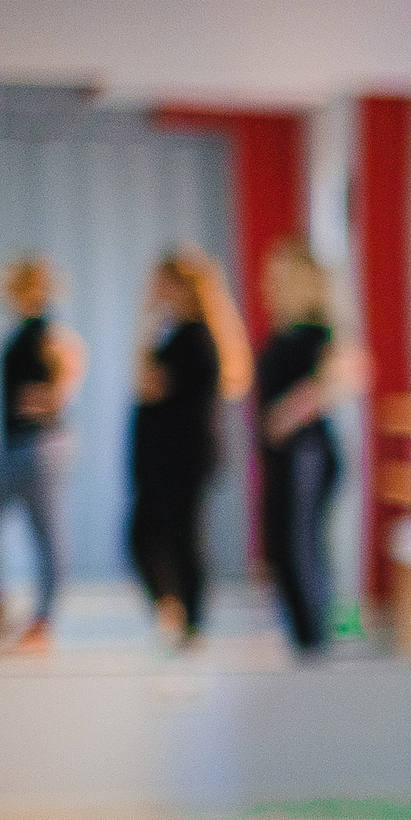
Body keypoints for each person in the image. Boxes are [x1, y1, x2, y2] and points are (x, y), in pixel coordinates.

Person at [126, 245, 251, 647]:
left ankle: (190, 621)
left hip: (182, 457)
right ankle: (177, 612)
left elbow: (147, 384)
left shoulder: (195, 338)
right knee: (152, 537)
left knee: (178, 537)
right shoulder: (176, 333)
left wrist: (143, 324)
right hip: (163, 456)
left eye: (161, 284)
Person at [0, 254, 87, 653]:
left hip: (40, 445)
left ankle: (39, 621)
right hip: (21, 444)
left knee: (44, 533)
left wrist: (54, 399)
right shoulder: (24, 332)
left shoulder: (48, 334)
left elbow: (71, 368)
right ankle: (0, 606)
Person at [255, 238, 364, 657]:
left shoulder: (320, 329)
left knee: (301, 547)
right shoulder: (286, 330)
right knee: (287, 546)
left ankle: (313, 644)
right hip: (287, 457)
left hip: (307, 453)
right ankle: (304, 641)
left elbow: (350, 372)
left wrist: (292, 410)